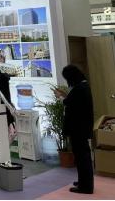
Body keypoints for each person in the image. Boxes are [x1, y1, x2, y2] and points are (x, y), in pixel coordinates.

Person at [55, 65, 94, 194]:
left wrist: (60, 97)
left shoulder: (80, 88)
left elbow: (69, 103)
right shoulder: (83, 86)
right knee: (82, 156)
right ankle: (84, 181)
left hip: (78, 128)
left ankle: (85, 186)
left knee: (82, 157)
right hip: (82, 128)